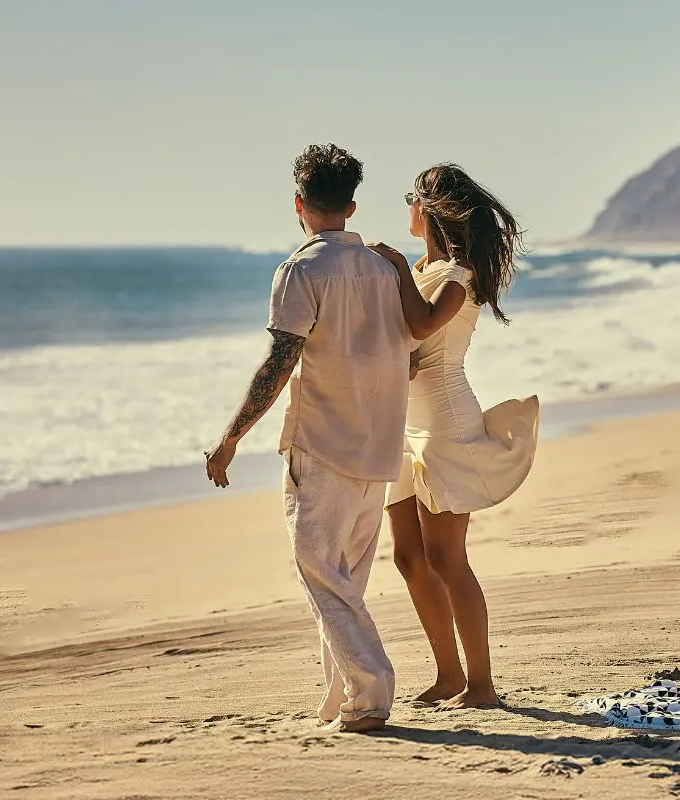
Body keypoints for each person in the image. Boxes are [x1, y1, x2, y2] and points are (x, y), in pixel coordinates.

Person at [204, 144, 410, 733]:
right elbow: (409, 353)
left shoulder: (300, 270)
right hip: (379, 449)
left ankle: (370, 696)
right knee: (345, 583)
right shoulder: (383, 268)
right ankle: (339, 700)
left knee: (322, 575)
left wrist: (231, 435)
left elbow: (279, 359)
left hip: (322, 447)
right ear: (350, 204)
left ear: (299, 203)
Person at [367, 164, 538, 710]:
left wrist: (393, 265)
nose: (407, 211)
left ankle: (482, 684)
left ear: (431, 209)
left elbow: (421, 327)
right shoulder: (423, 267)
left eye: (411, 200)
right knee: (409, 558)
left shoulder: (458, 275)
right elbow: (404, 341)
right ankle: (447, 675)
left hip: (444, 423)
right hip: (404, 423)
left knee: (447, 559)